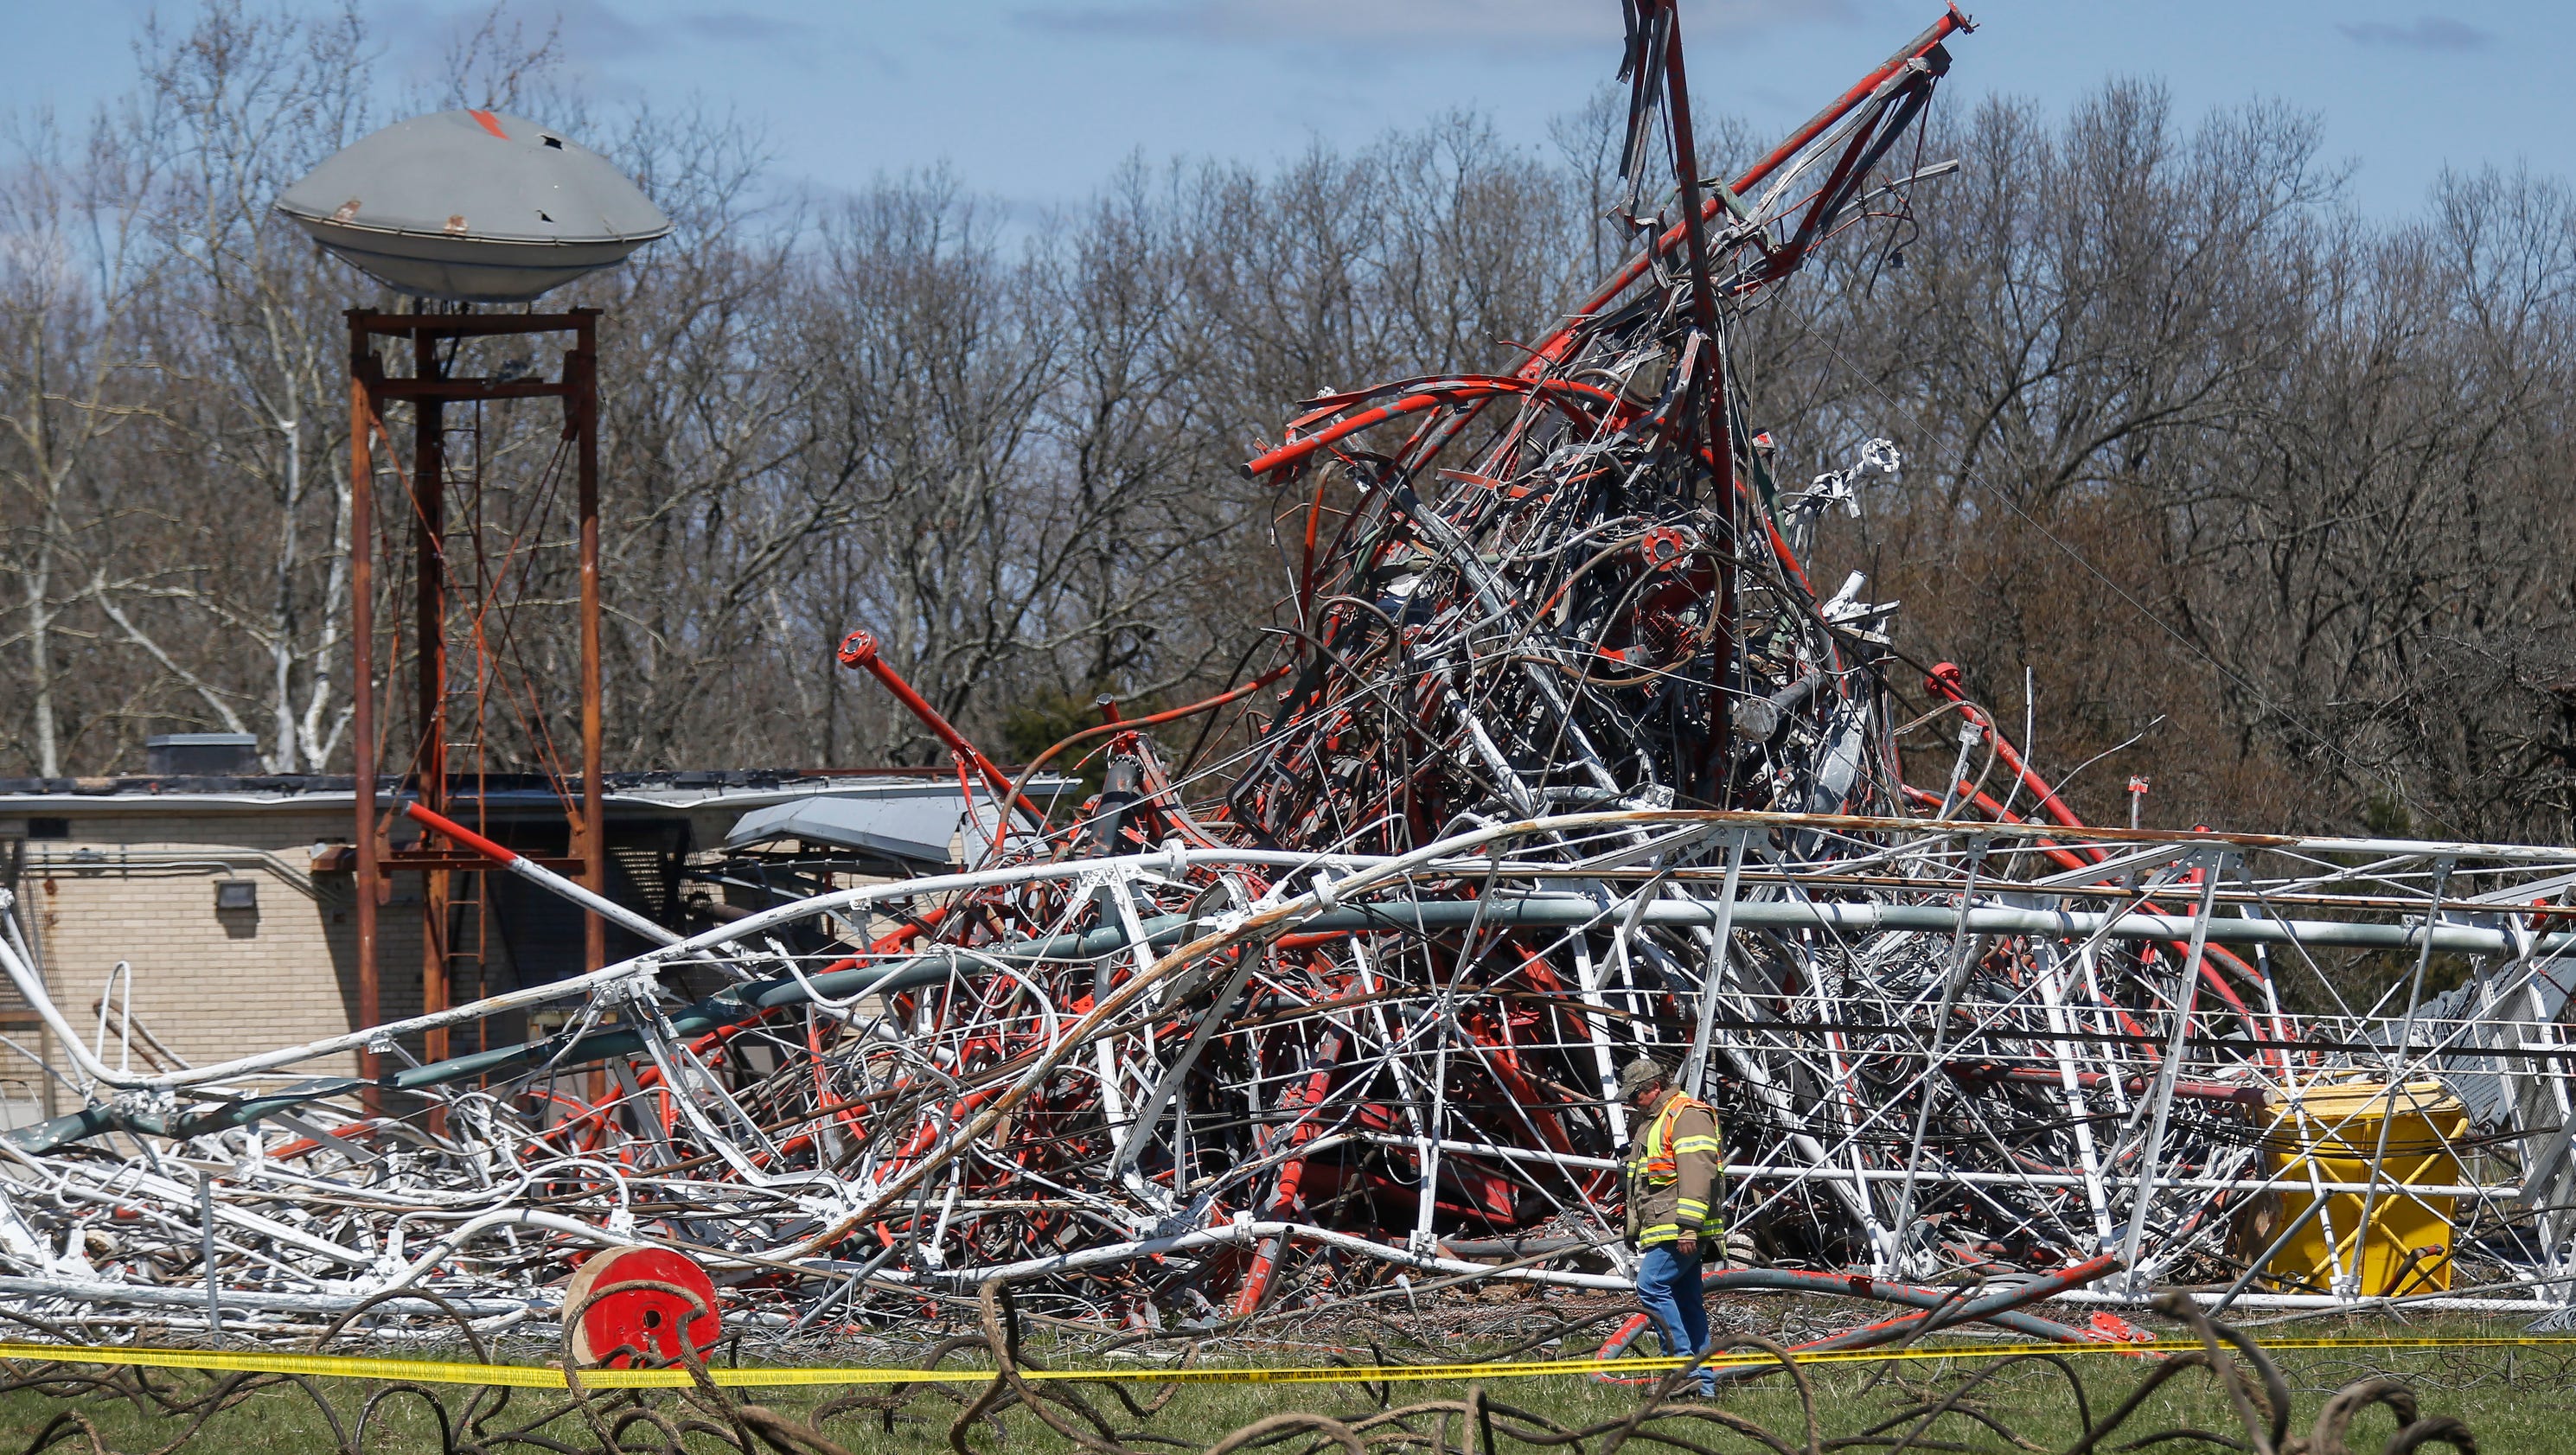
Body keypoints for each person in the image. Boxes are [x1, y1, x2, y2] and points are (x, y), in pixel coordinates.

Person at [1619, 1056, 1723, 1396]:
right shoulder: (1655, 1121)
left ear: (1655, 1088)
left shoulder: (1687, 1116)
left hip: (1680, 1229)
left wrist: (1689, 1226)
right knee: (1687, 1300)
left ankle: (1679, 1369)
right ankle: (1703, 1385)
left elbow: (1698, 1174)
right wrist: (1634, 1230)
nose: (1631, 1104)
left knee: (1651, 1285)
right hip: (1665, 1227)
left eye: (1635, 1096)